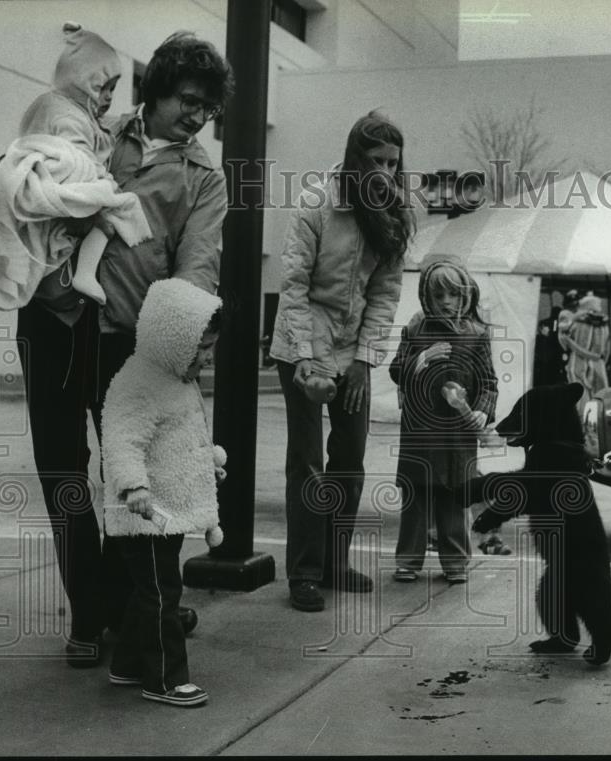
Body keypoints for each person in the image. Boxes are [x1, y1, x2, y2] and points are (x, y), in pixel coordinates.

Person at [14, 30, 233, 666]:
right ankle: (95, 612)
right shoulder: (99, 130)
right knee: (61, 471)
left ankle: (120, 607)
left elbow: (197, 269)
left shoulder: (203, 179)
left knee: (131, 482)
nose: (197, 116)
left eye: (207, 108)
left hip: (126, 340)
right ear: (158, 89)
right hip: (54, 323)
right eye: (189, 100)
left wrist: (180, 343)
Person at [269, 111, 415, 612]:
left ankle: (335, 560)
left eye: (394, 163)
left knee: (349, 459)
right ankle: (304, 572)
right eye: (376, 161)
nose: (386, 172)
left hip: (352, 351)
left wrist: (364, 361)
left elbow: (385, 292)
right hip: (302, 344)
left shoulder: (392, 213)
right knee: (307, 463)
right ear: (355, 158)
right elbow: (292, 288)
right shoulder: (315, 203)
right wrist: (308, 362)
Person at [102, 278, 224, 707]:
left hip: (163, 511)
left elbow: (181, 438)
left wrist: (204, 462)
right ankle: (166, 678)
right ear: (172, 339)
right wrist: (133, 485)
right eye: (201, 349)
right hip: (144, 512)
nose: (207, 358)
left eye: (210, 349)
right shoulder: (138, 381)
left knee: (149, 591)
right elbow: (121, 437)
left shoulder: (177, 380)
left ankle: (128, 664)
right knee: (161, 594)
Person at [0, 22, 152, 314]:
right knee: (115, 209)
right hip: (55, 177)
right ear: (84, 81)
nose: (109, 97)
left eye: (113, 89)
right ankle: (84, 272)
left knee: (108, 207)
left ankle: (80, 272)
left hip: (57, 188)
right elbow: (70, 155)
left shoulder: (75, 111)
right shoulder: (61, 110)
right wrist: (97, 179)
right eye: (103, 87)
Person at [389, 256, 500, 584]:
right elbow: (397, 371)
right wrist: (421, 359)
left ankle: (455, 562)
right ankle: (408, 561)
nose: (446, 302)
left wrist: (483, 408)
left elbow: (488, 383)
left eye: (453, 294)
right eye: (439, 296)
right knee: (415, 502)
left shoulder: (477, 333)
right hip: (419, 433)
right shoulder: (415, 328)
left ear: (466, 295)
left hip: (458, 436)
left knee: (454, 500)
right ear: (426, 296)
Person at [563, 291, 610, 415]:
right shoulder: (604, 324)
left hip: (578, 362)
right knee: (599, 396)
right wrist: (599, 359)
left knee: (580, 396)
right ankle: (595, 426)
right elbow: (607, 348)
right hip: (598, 364)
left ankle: (582, 425)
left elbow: (567, 341)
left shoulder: (576, 323)